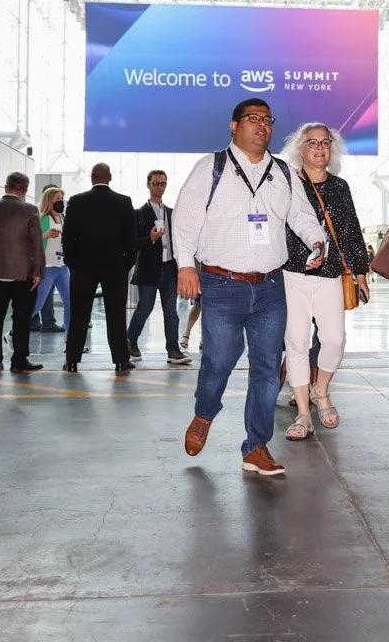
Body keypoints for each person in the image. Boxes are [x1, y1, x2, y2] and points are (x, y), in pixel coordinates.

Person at [173, 98, 326, 477]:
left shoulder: (284, 174)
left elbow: (303, 217)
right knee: (218, 362)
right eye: (253, 119)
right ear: (233, 125)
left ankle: (255, 446)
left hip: (271, 286)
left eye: (267, 120)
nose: (262, 125)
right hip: (221, 284)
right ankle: (204, 414)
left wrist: (317, 242)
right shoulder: (211, 168)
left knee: (266, 369)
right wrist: (185, 266)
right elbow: (186, 221)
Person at [278, 123, 370, 441]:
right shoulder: (286, 184)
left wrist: (360, 272)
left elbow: (351, 231)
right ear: (299, 149)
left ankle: (321, 389)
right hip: (292, 274)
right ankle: (304, 413)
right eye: (312, 142)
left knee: (334, 340)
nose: (319, 148)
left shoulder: (340, 187)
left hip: (330, 274)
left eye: (325, 142)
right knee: (297, 343)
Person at [61, 163, 137, 373]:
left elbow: (68, 236)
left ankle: (72, 360)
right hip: (115, 267)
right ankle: (121, 360)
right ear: (110, 177)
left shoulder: (76, 201)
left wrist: (72, 262)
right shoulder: (123, 202)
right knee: (116, 315)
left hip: (83, 266)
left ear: (92, 177)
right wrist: (126, 264)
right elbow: (130, 239)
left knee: (79, 314)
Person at [0, 172, 43, 373]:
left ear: (5, 188)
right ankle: (19, 360)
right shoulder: (30, 210)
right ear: (24, 191)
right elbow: (36, 245)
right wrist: (38, 271)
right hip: (24, 274)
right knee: (21, 318)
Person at [126, 170, 191, 365]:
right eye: (155, 183)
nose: (159, 187)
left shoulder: (172, 213)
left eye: (162, 183)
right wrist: (150, 239)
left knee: (171, 311)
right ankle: (130, 341)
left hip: (169, 268)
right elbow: (132, 243)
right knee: (144, 308)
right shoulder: (138, 214)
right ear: (148, 185)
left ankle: (173, 350)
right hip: (148, 268)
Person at [32, 186, 72, 335]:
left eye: (62, 199)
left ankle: (70, 341)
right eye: (57, 199)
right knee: (37, 304)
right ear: (49, 201)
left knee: (70, 303)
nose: (60, 202)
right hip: (47, 266)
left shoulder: (63, 218)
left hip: (62, 266)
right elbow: (30, 240)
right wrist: (45, 235)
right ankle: (13, 334)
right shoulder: (41, 218)